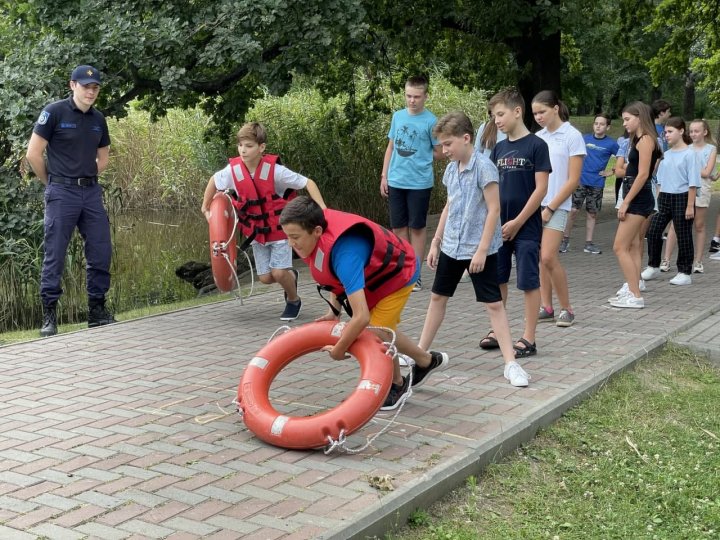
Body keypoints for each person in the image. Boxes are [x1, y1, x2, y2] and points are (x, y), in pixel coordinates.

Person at [279, 196, 449, 410]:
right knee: (385, 329)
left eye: (294, 237)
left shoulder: (346, 254)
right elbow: (333, 276)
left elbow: (361, 317)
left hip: (400, 273)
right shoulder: (311, 238)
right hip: (373, 277)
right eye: (287, 237)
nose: (290, 244)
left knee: (376, 330)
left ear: (317, 231)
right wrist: (334, 311)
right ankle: (425, 361)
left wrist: (340, 348)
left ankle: (397, 385)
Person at [417, 112, 529, 387]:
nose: (444, 150)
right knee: (437, 299)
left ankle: (510, 364)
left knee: (493, 304)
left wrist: (480, 251)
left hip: (481, 250)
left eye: (448, 144)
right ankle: (419, 354)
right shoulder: (450, 169)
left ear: (466, 139)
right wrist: (435, 241)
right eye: (442, 145)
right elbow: (449, 206)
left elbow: (494, 210)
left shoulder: (484, 167)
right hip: (452, 247)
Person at [200, 122, 327, 321]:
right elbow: (214, 181)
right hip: (257, 235)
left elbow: (307, 183)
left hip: (280, 232)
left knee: (277, 272)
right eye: (241, 145)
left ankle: (293, 300)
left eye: (249, 146)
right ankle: (291, 276)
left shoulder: (275, 171)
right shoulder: (233, 171)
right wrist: (205, 206)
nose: (243, 150)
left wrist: (323, 210)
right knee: (265, 278)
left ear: (261, 147)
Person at [26, 65, 115, 337]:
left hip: (90, 193)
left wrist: (85, 176)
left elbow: (104, 156)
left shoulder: (98, 119)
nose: (91, 91)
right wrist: (52, 182)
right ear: (72, 85)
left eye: (95, 87)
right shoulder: (54, 112)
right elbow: (34, 153)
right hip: (61, 193)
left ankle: (97, 311)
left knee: (101, 250)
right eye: (85, 86)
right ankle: (50, 315)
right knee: (55, 253)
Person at [488, 88, 551, 357]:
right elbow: (490, 188)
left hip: (526, 226)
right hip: (499, 227)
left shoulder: (537, 146)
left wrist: (517, 221)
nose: (497, 120)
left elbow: (541, 190)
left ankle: (529, 337)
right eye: (493, 116)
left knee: (527, 280)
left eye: (500, 114)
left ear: (517, 111)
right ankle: (498, 330)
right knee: (498, 278)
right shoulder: (498, 149)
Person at [380, 75, 442, 292]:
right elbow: (391, 147)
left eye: (416, 96)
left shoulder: (431, 121)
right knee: (398, 226)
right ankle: (403, 270)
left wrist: (422, 158)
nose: (412, 100)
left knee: (417, 227)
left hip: (420, 182)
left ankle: (415, 274)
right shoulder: (397, 116)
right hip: (396, 179)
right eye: (408, 96)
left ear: (425, 96)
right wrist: (384, 176)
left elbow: (439, 151)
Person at [532, 91, 585, 328]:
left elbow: (573, 180)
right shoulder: (538, 137)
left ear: (555, 108)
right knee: (539, 258)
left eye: (542, 111)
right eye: (534, 113)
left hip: (558, 205)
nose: (538, 117)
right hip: (537, 204)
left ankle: (567, 308)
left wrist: (551, 207)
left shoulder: (572, 136)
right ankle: (547, 307)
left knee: (548, 256)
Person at [609, 102, 663, 309]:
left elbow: (643, 175)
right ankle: (632, 291)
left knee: (619, 246)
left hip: (639, 198)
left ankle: (636, 295)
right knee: (628, 246)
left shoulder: (647, 140)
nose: (624, 123)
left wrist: (626, 202)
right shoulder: (638, 140)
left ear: (639, 117)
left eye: (627, 119)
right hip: (634, 194)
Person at [640, 117, 700, 286]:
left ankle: (684, 271)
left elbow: (693, 182)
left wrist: (689, 206)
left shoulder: (690, 154)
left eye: (670, 131)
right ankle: (653, 265)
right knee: (653, 231)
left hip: (682, 197)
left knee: (683, 235)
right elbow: (659, 181)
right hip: (664, 197)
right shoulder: (665, 155)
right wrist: (657, 202)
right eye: (665, 132)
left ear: (681, 131)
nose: (666, 135)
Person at [661, 119, 717, 273]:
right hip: (683, 191)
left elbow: (706, 172)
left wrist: (688, 169)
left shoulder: (710, 149)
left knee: (698, 225)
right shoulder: (686, 148)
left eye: (696, 131)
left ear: (705, 132)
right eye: (691, 131)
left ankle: (697, 261)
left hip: (702, 190)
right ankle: (666, 259)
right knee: (675, 224)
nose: (693, 134)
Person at [562, 114, 618, 255]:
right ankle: (564, 240)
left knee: (592, 214)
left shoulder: (611, 144)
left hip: (597, 183)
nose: (598, 126)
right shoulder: (584, 139)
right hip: (580, 180)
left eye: (602, 124)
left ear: (608, 127)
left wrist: (611, 171)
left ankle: (588, 244)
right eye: (596, 123)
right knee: (573, 211)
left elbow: (622, 158)